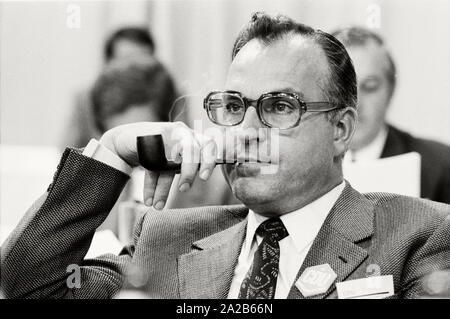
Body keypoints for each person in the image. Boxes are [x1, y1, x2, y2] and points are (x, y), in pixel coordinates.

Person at [2, 13, 449, 299]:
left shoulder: (418, 235)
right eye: (233, 108)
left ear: (341, 129)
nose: (248, 132)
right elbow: (29, 284)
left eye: (279, 107)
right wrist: (115, 148)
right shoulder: (167, 242)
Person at [332, 27, 450, 204]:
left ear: (391, 89)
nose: (356, 103)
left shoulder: (439, 165)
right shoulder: (299, 162)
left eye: (370, 86)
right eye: (344, 88)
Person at [61, 27, 156, 149]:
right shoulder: (86, 99)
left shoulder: (170, 97)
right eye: (126, 61)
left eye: (142, 61)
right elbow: (68, 152)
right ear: (108, 62)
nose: (135, 70)